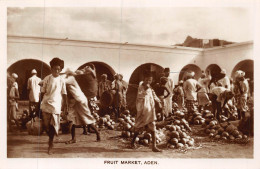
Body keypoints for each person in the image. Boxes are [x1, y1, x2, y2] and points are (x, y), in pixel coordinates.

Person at [40, 57, 68, 155]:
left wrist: (66, 106)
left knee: (52, 125)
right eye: (54, 69)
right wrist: (37, 105)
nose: (56, 71)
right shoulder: (47, 79)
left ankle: (50, 144)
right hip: (46, 103)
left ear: (60, 70)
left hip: (56, 105)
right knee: (46, 125)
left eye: (58, 69)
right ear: (51, 69)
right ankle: (50, 137)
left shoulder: (61, 80)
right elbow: (42, 92)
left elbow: (64, 94)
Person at [64, 73, 100, 144]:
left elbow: (62, 80)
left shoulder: (71, 79)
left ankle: (97, 133)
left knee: (86, 118)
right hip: (75, 102)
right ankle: (73, 139)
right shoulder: (69, 81)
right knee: (72, 119)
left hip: (80, 101)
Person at [131, 71, 162, 152]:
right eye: (147, 80)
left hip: (150, 111)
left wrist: (158, 102)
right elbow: (140, 95)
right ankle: (132, 142)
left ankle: (154, 146)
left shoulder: (150, 88)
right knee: (138, 128)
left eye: (150, 80)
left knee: (153, 129)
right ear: (143, 80)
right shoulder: (141, 87)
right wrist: (145, 89)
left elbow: (153, 95)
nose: (148, 82)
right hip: (143, 112)